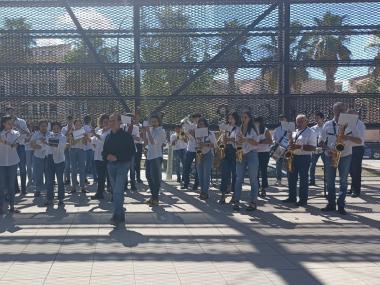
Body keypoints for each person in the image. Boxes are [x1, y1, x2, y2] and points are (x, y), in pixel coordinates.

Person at [320, 102, 362, 215]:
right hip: (330, 155)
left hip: (346, 155)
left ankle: (341, 205)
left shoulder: (351, 124)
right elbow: (321, 142)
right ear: (333, 111)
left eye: (342, 110)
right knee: (330, 181)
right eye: (337, 110)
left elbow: (359, 141)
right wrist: (327, 150)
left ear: (345, 111)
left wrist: (346, 137)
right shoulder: (327, 124)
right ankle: (331, 204)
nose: (340, 113)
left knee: (343, 181)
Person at [102, 113, 135, 227]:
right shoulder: (108, 136)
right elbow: (104, 151)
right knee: (116, 191)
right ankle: (120, 215)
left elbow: (131, 152)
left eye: (113, 121)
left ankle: (116, 216)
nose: (110, 123)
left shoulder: (126, 136)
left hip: (122, 165)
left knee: (117, 190)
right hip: (110, 166)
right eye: (110, 121)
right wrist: (106, 156)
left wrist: (118, 157)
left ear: (120, 122)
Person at [283, 114, 316, 207]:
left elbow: (313, 148)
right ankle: (292, 197)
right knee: (291, 178)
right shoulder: (295, 132)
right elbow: (291, 144)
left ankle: (303, 200)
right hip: (293, 157)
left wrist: (299, 147)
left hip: (304, 158)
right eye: (298, 122)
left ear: (306, 122)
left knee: (303, 180)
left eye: (302, 121)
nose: (299, 123)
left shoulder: (311, 132)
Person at [233, 111, 259, 211]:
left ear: (249, 119)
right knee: (239, 178)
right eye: (242, 117)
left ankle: (253, 202)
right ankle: (236, 201)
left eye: (245, 117)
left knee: (253, 179)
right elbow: (236, 141)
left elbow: (256, 143)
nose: (243, 119)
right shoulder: (238, 129)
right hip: (241, 153)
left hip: (251, 153)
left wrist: (245, 139)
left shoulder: (253, 129)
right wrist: (237, 141)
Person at [5, 106, 30, 195]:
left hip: (21, 146)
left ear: (15, 112)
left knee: (23, 168)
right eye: (8, 112)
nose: (10, 113)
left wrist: (18, 127)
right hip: (10, 147)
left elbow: (28, 133)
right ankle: (15, 188)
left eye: (12, 111)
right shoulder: (5, 123)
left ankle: (23, 189)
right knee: (12, 168)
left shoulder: (21, 121)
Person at [143, 115, 167, 206]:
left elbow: (154, 142)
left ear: (158, 122)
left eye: (154, 121)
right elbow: (146, 142)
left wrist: (148, 131)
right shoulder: (151, 130)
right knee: (148, 176)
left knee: (155, 178)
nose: (153, 123)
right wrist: (145, 132)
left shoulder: (161, 131)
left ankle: (155, 198)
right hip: (149, 156)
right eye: (151, 121)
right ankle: (153, 196)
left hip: (156, 156)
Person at [0, 115, 21, 214]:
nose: (11, 124)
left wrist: (6, 142)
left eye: (11, 122)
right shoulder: (0, 134)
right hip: (1, 162)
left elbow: (15, 145)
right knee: (2, 185)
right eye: (9, 123)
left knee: (11, 185)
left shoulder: (16, 133)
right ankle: (1, 207)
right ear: (4, 124)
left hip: (12, 162)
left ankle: (12, 206)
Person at [219, 112, 239, 204]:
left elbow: (239, 140)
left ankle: (234, 196)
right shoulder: (226, 129)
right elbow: (222, 140)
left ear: (235, 119)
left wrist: (229, 140)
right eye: (229, 118)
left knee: (235, 174)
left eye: (232, 118)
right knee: (224, 174)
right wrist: (223, 139)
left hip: (234, 151)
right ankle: (223, 195)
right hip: (226, 150)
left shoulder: (238, 129)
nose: (230, 120)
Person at [45, 122, 67, 207]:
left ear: (60, 129)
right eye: (54, 128)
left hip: (59, 160)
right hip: (50, 158)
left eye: (57, 128)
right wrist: (49, 142)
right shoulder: (49, 135)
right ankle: (49, 198)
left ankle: (61, 198)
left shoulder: (63, 137)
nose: (55, 130)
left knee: (60, 180)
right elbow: (48, 142)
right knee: (49, 180)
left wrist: (48, 142)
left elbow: (57, 145)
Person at [195, 118, 216, 200]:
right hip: (199, 153)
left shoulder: (210, 133)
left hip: (208, 154)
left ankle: (205, 192)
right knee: (200, 174)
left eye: (202, 124)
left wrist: (205, 144)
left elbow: (214, 145)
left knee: (206, 174)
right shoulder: (196, 133)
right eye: (199, 124)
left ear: (206, 125)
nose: (201, 125)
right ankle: (202, 191)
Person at [67, 119, 89, 194]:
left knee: (82, 169)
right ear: (74, 125)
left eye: (79, 124)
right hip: (73, 150)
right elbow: (71, 143)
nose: (78, 126)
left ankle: (83, 187)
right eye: (76, 124)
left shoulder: (83, 132)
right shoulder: (71, 132)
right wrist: (77, 136)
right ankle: (73, 187)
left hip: (81, 151)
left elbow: (86, 143)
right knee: (73, 169)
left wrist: (85, 137)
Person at [91, 114, 111, 200]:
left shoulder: (110, 132)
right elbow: (93, 142)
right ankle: (100, 193)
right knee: (101, 176)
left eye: (107, 122)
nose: (105, 123)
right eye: (104, 122)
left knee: (109, 176)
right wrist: (87, 139)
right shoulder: (99, 131)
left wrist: (94, 134)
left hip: (106, 157)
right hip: (98, 157)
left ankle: (113, 193)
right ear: (101, 123)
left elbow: (103, 140)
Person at [348, 109, 366, 198]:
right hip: (348, 149)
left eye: (351, 114)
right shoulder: (347, 123)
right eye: (348, 114)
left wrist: (349, 136)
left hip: (357, 149)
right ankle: (352, 188)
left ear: (356, 115)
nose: (349, 116)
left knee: (356, 170)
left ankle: (356, 191)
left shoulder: (360, 124)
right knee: (350, 170)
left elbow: (359, 139)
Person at [181, 113, 201, 190]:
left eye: (197, 118)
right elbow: (185, 138)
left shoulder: (201, 127)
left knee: (197, 167)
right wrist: (184, 132)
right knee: (186, 167)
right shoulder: (189, 126)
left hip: (198, 149)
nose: (196, 119)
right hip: (190, 149)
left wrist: (194, 133)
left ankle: (196, 184)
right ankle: (186, 184)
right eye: (194, 118)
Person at [31, 120, 50, 198]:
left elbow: (53, 144)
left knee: (48, 174)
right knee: (38, 174)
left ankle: (48, 190)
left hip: (48, 157)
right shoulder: (35, 134)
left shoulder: (50, 134)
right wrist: (38, 143)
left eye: (45, 126)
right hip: (38, 157)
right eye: (42, 126)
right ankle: (38, 190)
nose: (44, 127)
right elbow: (32, 145)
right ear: (39, 127)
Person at [254, 117, 272, 198]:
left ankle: (263, 188)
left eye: (256, 122)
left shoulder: (265, 130)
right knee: (255, 172)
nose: (255, 124)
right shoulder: (252, 130)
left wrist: (260, 142)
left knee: (263, 171)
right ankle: (256, 188)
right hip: (255, 153)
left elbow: (270, 141)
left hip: (264, 153)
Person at [123, 114, 139, 191]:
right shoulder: (122, 127)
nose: (131, 120)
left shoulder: (135, 127)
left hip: (132, 150)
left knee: (132, 168)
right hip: (123, 150)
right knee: (124, 168)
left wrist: (133, 137)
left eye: (132, 119)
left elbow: (138, 139)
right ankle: (125, 184)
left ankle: (133, 184)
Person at [309, 111, 326, 186]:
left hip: (324, 148)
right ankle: (311, 180)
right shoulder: (312, 128)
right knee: (312, 165)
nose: (316, 119)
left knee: (326, 165)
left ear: (322, 118)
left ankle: (327, 180)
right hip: (315, 148)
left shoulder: (326, 127)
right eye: (315, 118)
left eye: (318, 118)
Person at [272, 114, 288, 186]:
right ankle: (278, 180)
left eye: (283, 119)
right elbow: (273, 138)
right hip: (279, 147)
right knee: (278, 165)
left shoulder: (290, 128)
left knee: (288, 164)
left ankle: (289, 179)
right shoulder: (277, 129)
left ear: (286, 120)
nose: (282, 121)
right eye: (281, 119)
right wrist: (275, 142)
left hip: (288, 148)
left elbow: (293, 137)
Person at [84, 115, 97, 184]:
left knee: (89, 163)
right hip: (89, 148)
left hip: (88, 147)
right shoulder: (87, 127)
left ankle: (87, 177)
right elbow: (89, 136)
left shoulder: (87, 127)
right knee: (90, 163)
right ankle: (87, 177)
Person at [61, 115, 73, 185]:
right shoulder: (63, 128)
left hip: (73, 147)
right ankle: (67, 179)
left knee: (74, 165)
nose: (70, 122)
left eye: (71, 120)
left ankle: (74, 179)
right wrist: (68, 130)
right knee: (67, 164)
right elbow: (63, 137)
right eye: (69, 120)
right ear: (67, 121)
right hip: (66, 148)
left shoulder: (75, 127)